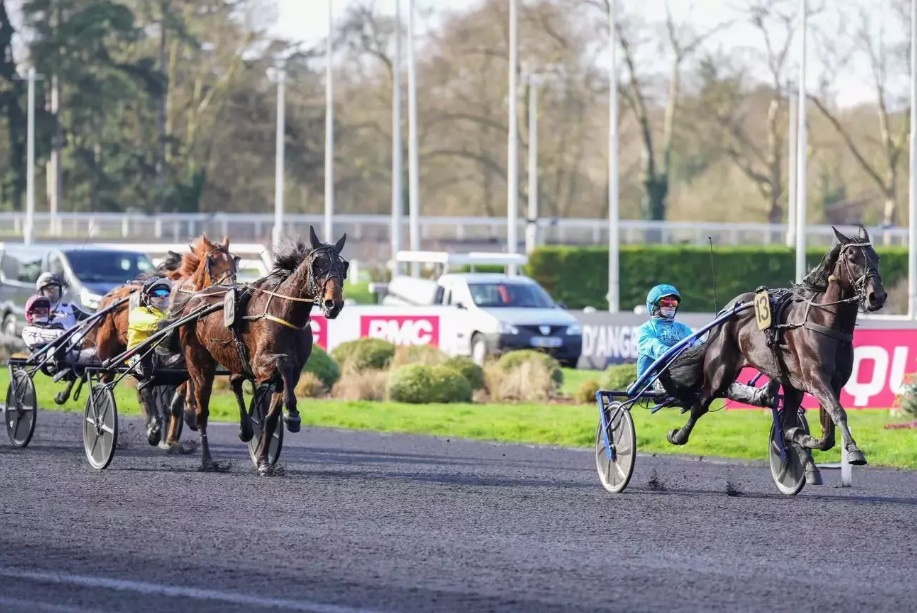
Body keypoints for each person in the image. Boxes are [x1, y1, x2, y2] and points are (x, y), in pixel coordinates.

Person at [636, 283, 773, 406]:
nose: (670, 306)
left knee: (718, 379)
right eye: (665, 302)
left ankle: (760, 396)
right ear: (653, 305)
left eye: (674, 303)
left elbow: (699, 347)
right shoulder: (645, 330)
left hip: (685, 375)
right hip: (658, 381)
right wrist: (684, 355)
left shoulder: (682, 328)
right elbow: (656, 349)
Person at [126, 276, 173, 387]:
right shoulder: (138, 313)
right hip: (138, 357)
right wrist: (173, 323)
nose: (162, 296)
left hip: (163, 356)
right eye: (158, 293)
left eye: (166, 293)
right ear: (147, 297)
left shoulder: (169, 314)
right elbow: (154, 324)